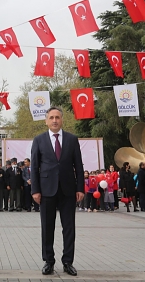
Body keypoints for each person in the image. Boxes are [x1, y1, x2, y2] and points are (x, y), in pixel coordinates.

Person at [30, 106, 84, 277]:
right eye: (51, 117)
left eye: (57, 117)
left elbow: (79, 166)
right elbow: (34, 167)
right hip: (46, 191)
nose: (54, 120)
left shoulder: (72, 139)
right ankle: (48, 261)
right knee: (47, 227)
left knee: (69, 227)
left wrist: (80, 188)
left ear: (62, 120)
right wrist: (35, 190)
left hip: (68, 190)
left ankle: (68, 262)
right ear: (46, 120)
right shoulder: (39, 140)